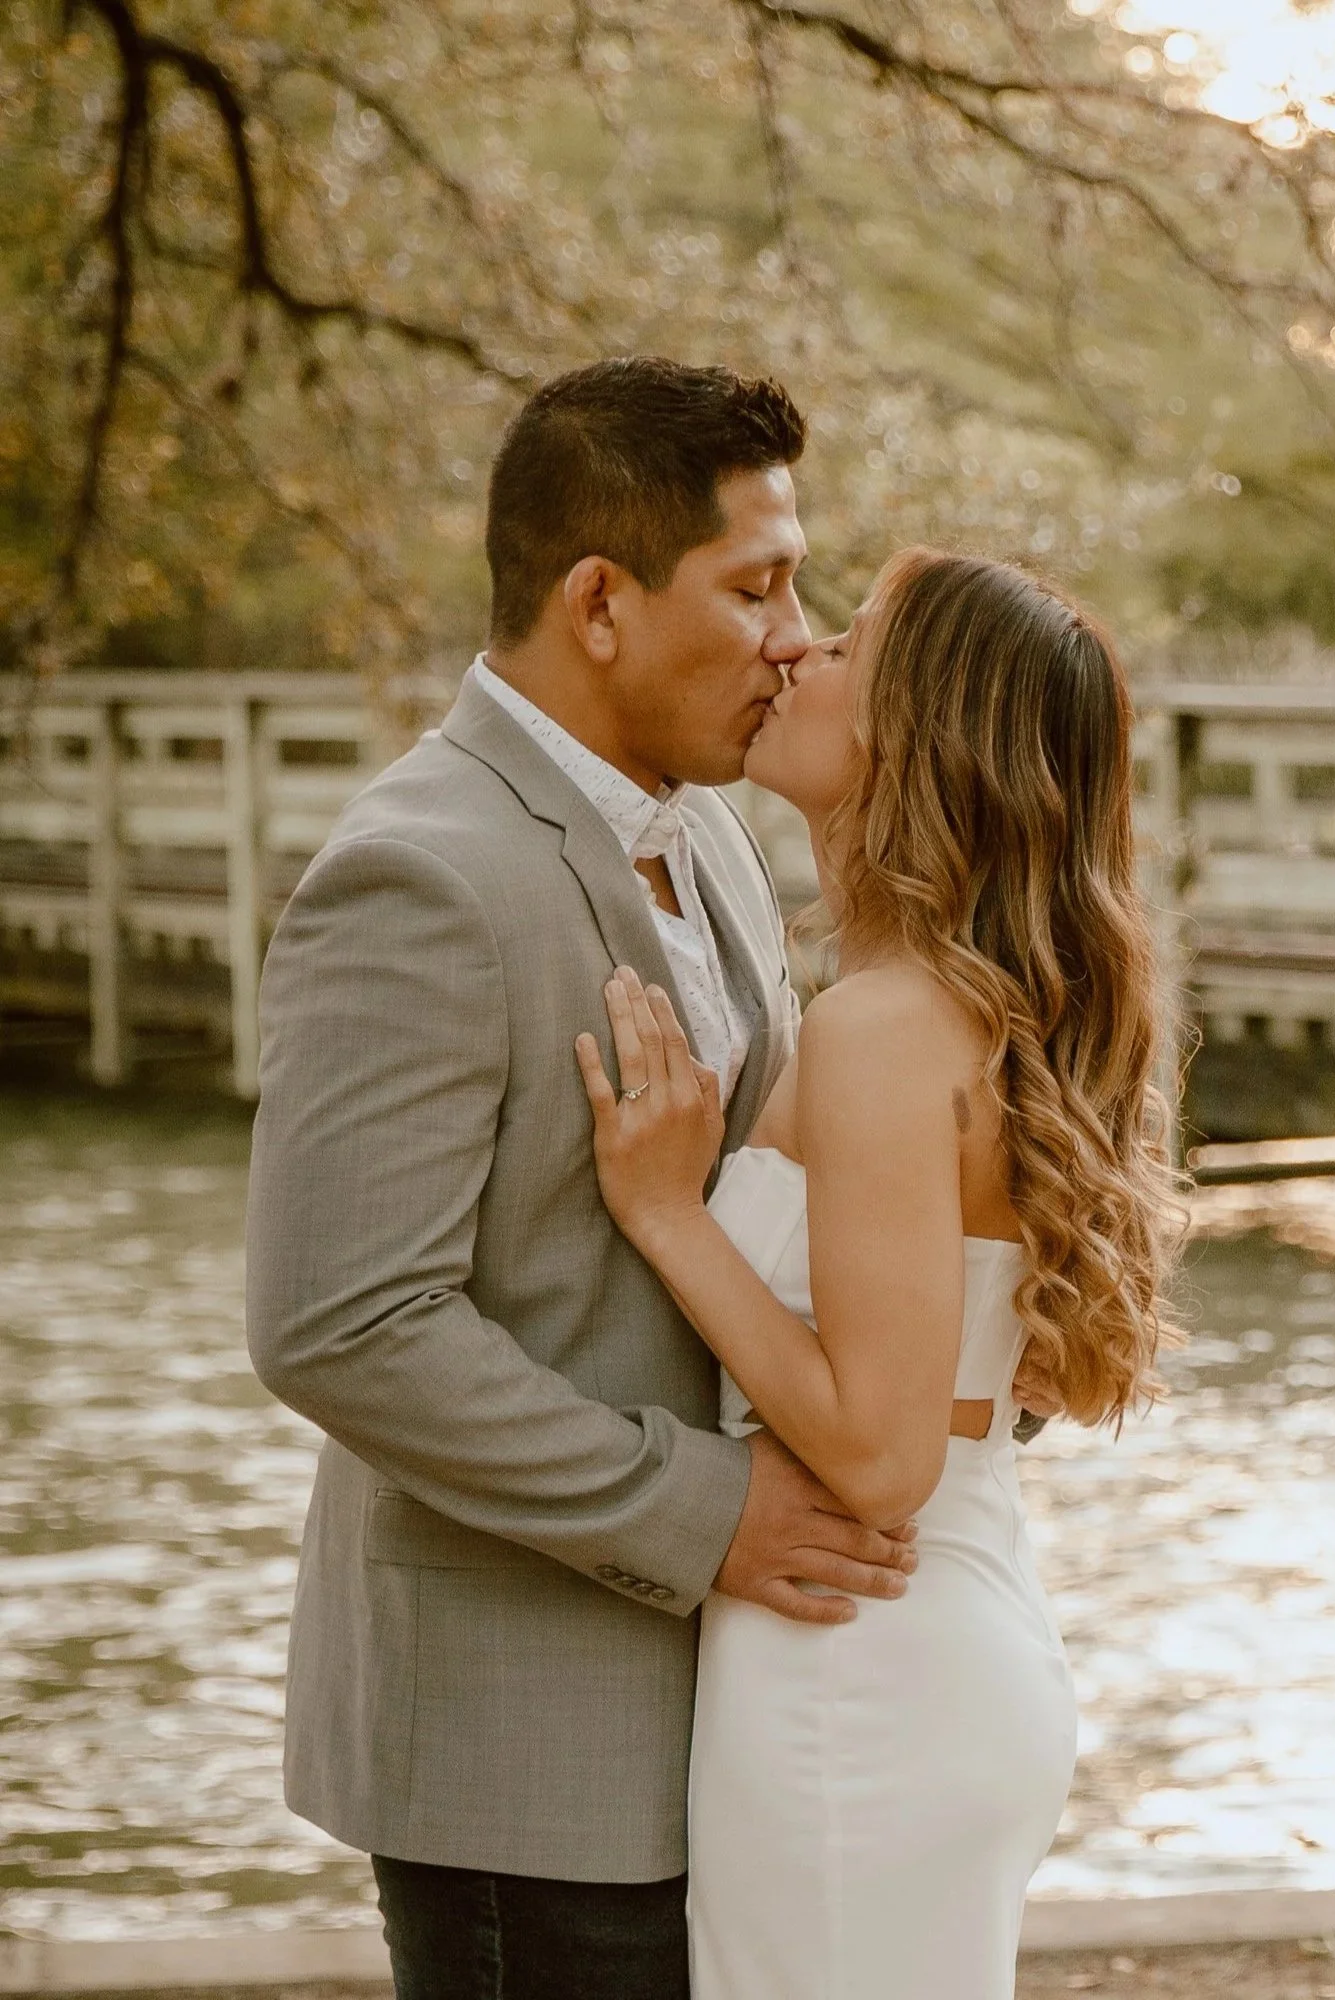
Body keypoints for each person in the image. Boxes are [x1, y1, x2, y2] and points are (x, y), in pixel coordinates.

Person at [244, 357, 918, 2000]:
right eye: (755, 585)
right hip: (520, 1752)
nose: (792, 632)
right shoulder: (418, 874)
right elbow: (341, 1322)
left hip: (746, 1724)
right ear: (600, 601)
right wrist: (707, 1514)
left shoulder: (713, 842)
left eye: (797, 583)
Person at [573, 545, 1184, 1998]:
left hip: (864, 1672)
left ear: (921, 732)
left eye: (846, 646)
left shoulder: (885, 1029)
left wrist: (670, 1216)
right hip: (916, 1647)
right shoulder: (930, 1013)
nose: (797, 656)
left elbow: (879, 1454)